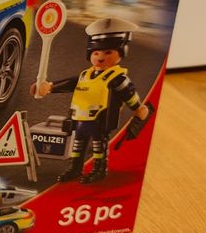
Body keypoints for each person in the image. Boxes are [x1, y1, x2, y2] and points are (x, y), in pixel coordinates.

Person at [30, 18, 150, 184]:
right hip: (79, 119)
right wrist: (49, 87)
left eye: (108, 52)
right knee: (77, 146)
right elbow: (70, 84)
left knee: (98, 147)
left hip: (100, 120)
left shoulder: (117, 78)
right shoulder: (84, 75)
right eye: (96, 53)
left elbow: (128, 94)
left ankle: (99, 170)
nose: (100, 57)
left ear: (121, 52)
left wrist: (138, 108)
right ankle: (75, 168)